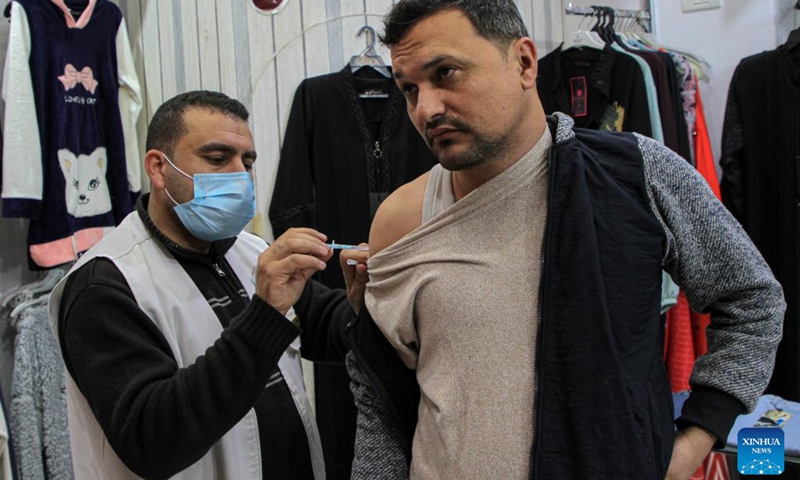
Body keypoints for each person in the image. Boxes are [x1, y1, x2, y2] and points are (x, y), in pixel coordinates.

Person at [343, 1, 786, 479]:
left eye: (446, 73)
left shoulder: (634, 175)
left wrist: (696, 437)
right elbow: (379, 395)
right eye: (409, 89)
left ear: (524, 62)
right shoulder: (402, 221)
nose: (426, 109)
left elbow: (752, 299)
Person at [47, 90, 368, 480]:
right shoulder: (104, 286)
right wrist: (265, 315)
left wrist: (364, 305)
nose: (239, 176)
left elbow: (321, 319)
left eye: (247, 162)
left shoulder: (248, 249)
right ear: (158, 168)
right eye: (217, 159)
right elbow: (152, 438)